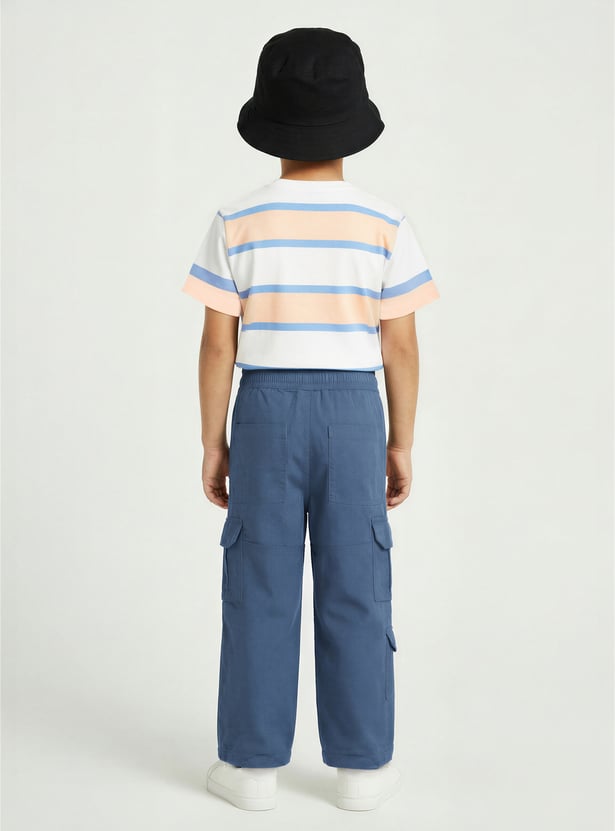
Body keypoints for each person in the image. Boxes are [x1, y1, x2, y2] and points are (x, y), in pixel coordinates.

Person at [181, 27, 440, 812]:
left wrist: (213, 440)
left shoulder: (236, 219)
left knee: (258, 584)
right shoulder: (384, 221)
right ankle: (361, 770)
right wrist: (399, 440)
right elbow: (400, 343)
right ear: (353, 122)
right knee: (357, 584)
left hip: (263, 410)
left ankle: (251, 769)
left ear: (268, 122)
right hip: (355, 412)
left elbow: (217, 342)